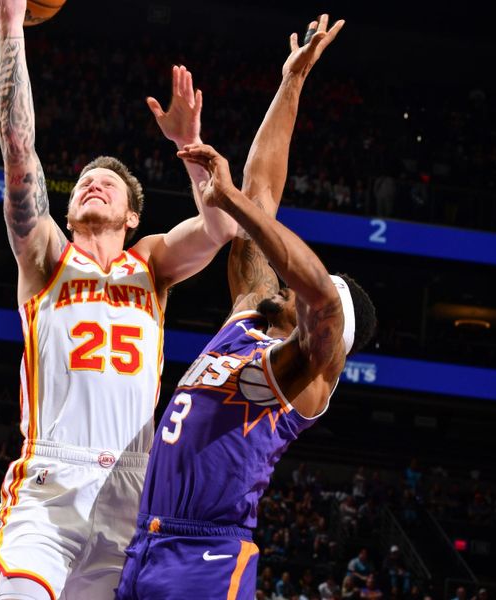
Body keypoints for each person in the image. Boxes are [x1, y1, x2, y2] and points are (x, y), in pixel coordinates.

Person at [0, 1, 234, 598]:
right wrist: (11, 28)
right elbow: (20, 154)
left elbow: (220, 229)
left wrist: (192, 147)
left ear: (132, 214)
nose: (93, 181)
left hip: (133, 487)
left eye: (108, 182)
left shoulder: (153, 264)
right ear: (67, 209)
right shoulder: (45, 258)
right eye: (86, 180)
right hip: (52, 479)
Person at [117, 15, 376, 599]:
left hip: (207, 554)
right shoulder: (249, 318)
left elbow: (320, 303)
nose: (286, 285)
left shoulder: (301, 376)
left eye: (310, 290)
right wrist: (292, 84)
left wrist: (232, 201)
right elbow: (261, 194)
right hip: (146, 542)